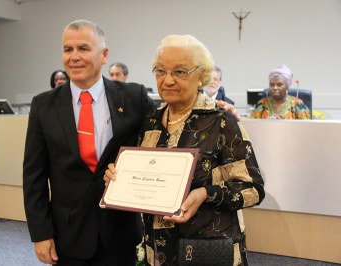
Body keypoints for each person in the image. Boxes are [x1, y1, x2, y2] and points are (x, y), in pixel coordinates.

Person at [104, 34, 265, 265]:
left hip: (207, 248)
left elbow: (253, 189)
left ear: (200, 76)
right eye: (160, 71)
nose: (167, 80)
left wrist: (206, 194)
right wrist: (117, 180)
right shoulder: (150, 122)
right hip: (159, 249)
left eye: (179, 72)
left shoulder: (222, 122)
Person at [23, 19, 154, 265]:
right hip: (68, 235)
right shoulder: (43, 106)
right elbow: (34, 176)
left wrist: (213, 108)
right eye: (67, 49)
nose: (74, 57)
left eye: (83, 48)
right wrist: (41, 233)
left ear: (104, 55)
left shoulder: (134, 96)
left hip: (122, 233)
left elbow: (166, 131)